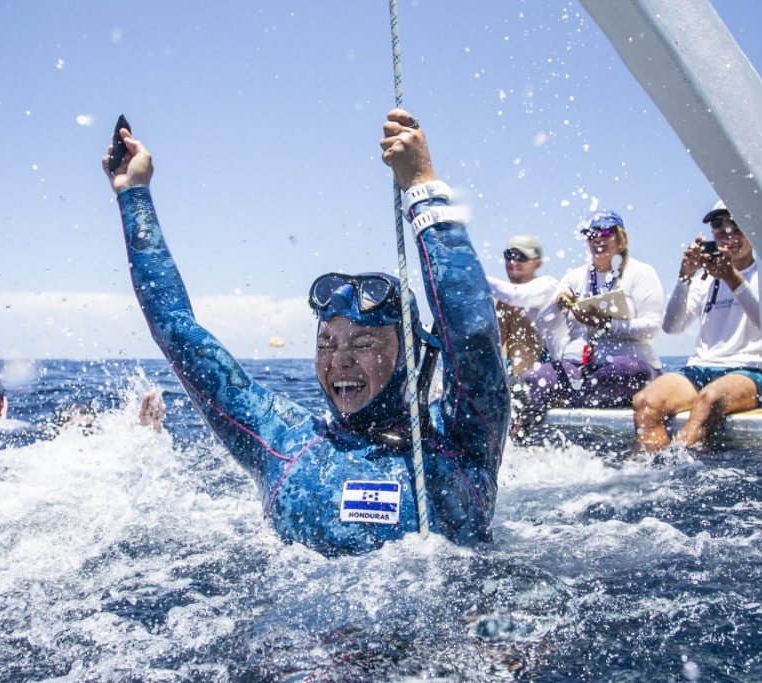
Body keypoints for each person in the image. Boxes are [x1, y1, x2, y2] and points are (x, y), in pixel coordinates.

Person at [104, 110, 508, 554]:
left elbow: (471, 332)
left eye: (364, 342)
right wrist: (134, 194)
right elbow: (179, 331)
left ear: (413, 354)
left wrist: (422, 186)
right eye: (326, 343)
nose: (339, 361)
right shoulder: (282, 440)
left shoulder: (463, 443)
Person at [517, 210, 665, 432]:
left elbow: (652, 328)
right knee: (535, 378)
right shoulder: (575, 276)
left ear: (620, 236)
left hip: (630, 366)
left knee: (624, 369)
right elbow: (545, 322)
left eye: (604, 231)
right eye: (590, 233)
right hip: (585, 370)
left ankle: (570, 396)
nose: (597, 238)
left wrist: (607, 323)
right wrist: (557, 304)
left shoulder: (641, 272)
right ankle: (519, 440)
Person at [633, 201, 762, 451]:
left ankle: (675, 473)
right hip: (699, 369)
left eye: (737, 227)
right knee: (645, 402)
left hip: (748, 370)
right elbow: (672, 327)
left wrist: (731, 277)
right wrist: (685, 277)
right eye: (719, 226)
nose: (729, 234)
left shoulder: (761, 272)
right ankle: (647, 478)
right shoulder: (705, 280)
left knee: (709, 399)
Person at [487, 235, 569, 376]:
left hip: (552, 372)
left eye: (521, 257)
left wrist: (473, 276)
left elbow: (515, 295)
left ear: (537, 263)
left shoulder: (548, 286)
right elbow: (495, 343)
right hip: (516, 372)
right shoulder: (503, 301)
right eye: (509, 255)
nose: (513, 261)